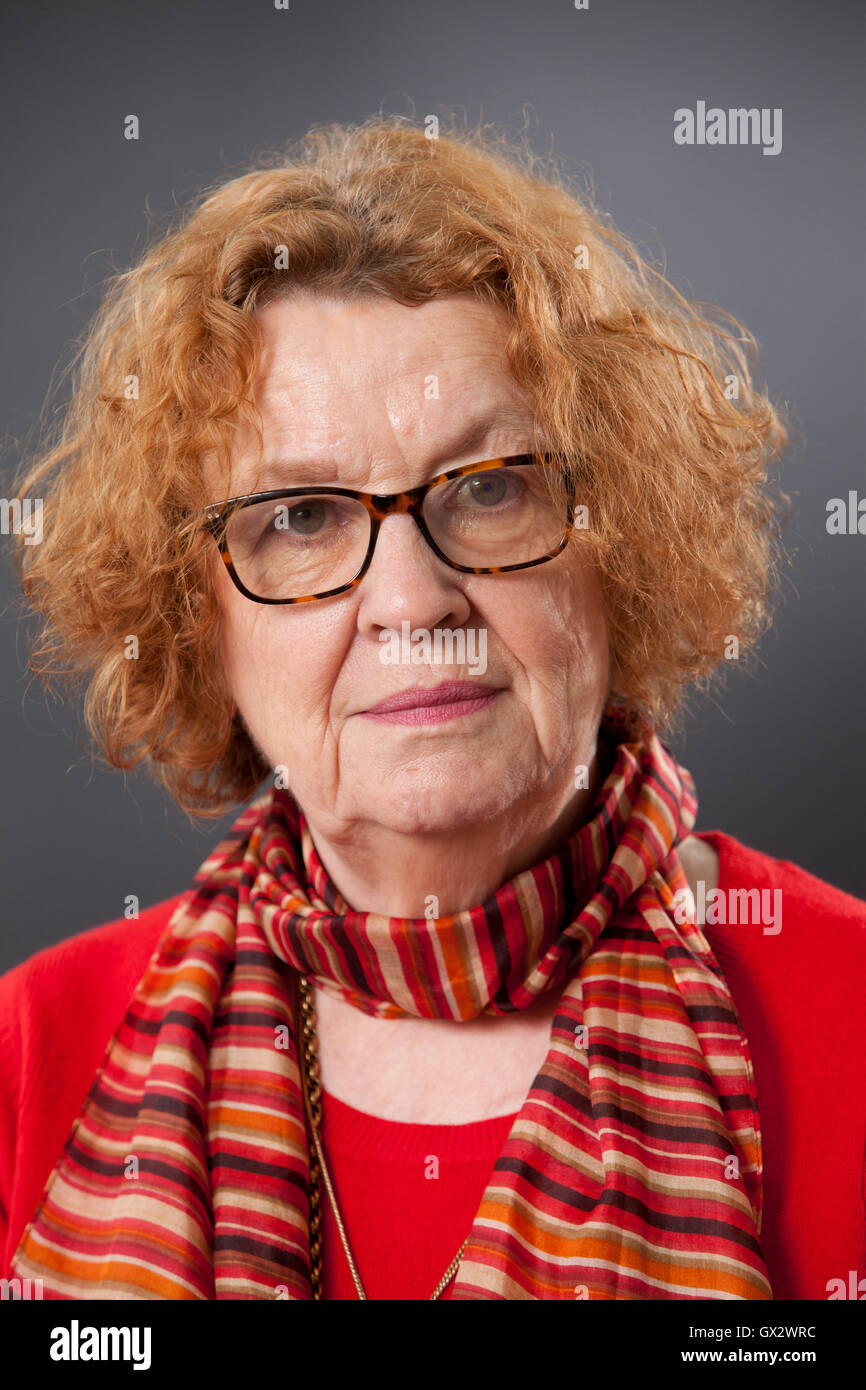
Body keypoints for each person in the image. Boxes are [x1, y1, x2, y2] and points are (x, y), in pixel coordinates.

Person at [1, 117, 863, 1302]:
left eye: (491, 488)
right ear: (195, 613)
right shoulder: (31, 1053)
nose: (411, 602)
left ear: (621, 541)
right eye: (299, 517)